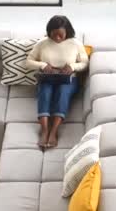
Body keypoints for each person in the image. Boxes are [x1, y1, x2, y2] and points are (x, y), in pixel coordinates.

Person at [27, 15, 89, 148]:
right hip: (47, 78)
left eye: (60, 35)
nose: (57, 38)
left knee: (62, 92)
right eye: (54, 35)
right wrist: (43, 65)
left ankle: (54, 131)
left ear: (67, 31)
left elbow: (85, 63)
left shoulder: (76, 44)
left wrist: (72, 67)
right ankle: (44, 131)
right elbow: (28, 62)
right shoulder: (42, 43)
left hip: (68, 79)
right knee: (45, 92)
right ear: (49, 31)